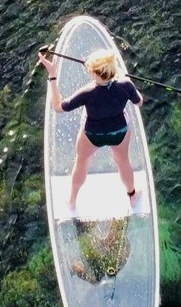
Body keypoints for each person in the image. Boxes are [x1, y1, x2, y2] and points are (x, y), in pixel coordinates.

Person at [39, 48, 143, 216]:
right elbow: (139, 103)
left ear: (95, 73)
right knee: (123, 161)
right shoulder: (126, 85)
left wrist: (52, 75)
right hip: (119, 131)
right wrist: (126, 83)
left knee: (81, 162)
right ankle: (132, 195)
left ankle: (72, 201)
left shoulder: (87, 92)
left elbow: (58, 107)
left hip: (93, 134)